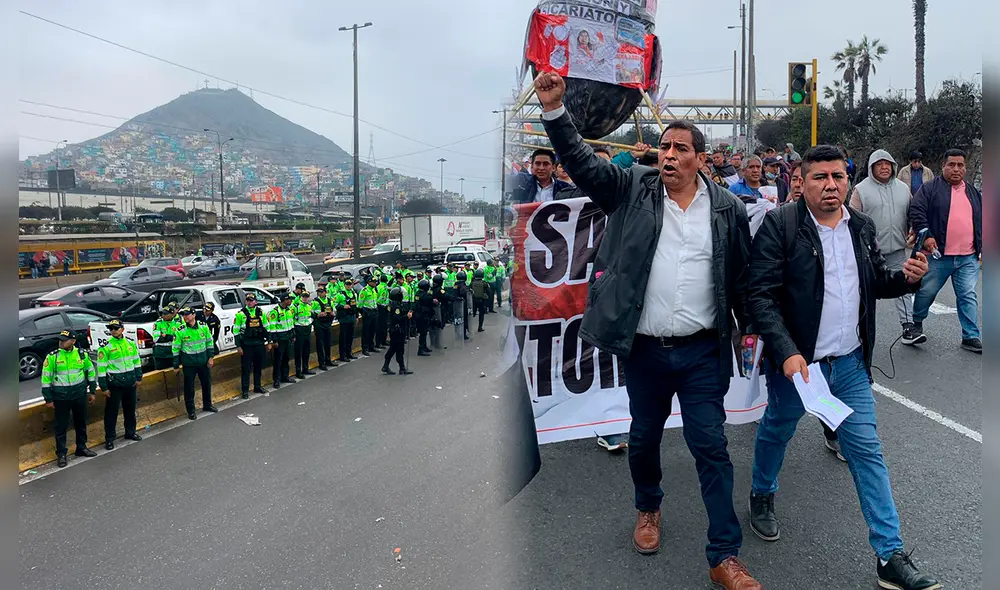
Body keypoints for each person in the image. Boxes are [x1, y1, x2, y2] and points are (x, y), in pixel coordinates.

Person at [533, 71, 761, 588]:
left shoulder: (728, 209)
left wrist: (753, 338)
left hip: (703, 353)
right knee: (643, 438)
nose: (670, 153)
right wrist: (554, 112)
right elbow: (586, 167)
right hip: (645, 352)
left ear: (703, 159)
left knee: (711, 446)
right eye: (665, 145)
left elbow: (743, 282)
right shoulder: (633, 187)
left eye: (682, 147)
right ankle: (649, 507)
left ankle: (724, 554)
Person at [747, 145, 938, 590]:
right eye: (820, 178)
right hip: (799, 367)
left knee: (867, 452)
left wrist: (907, 278)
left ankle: (889, 555)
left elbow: (873, 282)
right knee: (777, 430)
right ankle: (762, 492)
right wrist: (787, 351)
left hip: (849, 364)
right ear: (802, 180)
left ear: (848, 181)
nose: (830, 185)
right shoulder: (781, 226)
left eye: (837, 176)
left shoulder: (862, 227)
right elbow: (760, 296)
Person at [908, 148, 982, 353]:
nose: (956, 169)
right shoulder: (930, 188)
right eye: (951, 164)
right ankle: (916, 324)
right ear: (943, 166)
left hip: (968, 256)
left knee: (967, 294)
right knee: (927, 291)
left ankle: (970, 336)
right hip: (938, 256)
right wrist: (927, 235)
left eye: (960, 165)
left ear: (965, 168)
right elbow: (917, 210)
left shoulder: (973, 193)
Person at [849, 149, 918, 342]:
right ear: (872, 168)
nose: (884, 167)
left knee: (903, 287)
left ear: (894, 166)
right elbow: (852, 220)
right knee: (864, 290)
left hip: (897, 249)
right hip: (868, 253)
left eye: (888, 163)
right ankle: (858, 331)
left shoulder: (903, 188)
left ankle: (908, 327)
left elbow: (912, 213)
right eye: (879, 164)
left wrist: (913, 230)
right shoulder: (861, 190)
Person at [42, 330, 98, 468]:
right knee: (61, 426)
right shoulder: (52, 357)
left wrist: (92, 391)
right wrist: (48, 399)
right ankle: (61, 454)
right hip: (61, 397)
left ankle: (81, 447)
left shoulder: (81, 354)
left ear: (73, 341)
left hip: (79, 394)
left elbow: (90, 371)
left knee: (81, 422)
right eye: (60, 339)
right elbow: (45, 378)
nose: (61, 342)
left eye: (64, 340)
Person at [96, 319, 143, 450]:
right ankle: (110, 439)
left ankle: (131, 432)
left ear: (122, 329)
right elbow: (101, 369)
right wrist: (104, 387)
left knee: (130, 409)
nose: (113, 331)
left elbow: (136, 361)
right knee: (111, 412)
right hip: (114, 384)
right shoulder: (105, 347)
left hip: (130, 382)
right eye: (111, 329)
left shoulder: (130, 343)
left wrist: (139, 377)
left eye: (116, 328)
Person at [172, 307, 218, 420]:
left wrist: (211, 357)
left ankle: (207, 405)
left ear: (193, 315)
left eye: (187, 314)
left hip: (203, 362)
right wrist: (176, 365)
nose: (185, 317)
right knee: (189, 388)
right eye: (184, 315)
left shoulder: (203, 326)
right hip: (189, 364)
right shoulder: (180, 330)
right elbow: (175, 349)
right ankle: (191, 411)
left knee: (206, 384)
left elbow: (209, 342)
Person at [233, 292, 269, 398]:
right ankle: (245, 390)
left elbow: (267, 328)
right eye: (248, 301)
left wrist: (268, 342)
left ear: (256, 302)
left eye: (252, 300)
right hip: (247, 345)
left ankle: (257, 386)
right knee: (246, 368)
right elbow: (236, 331)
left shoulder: (261, 312)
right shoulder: (241, 314)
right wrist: (238, 346)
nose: (250, 302)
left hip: (259, 344)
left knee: (258, 367)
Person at [266, 293, 297, 388]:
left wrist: (293, 335)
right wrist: (274, 341)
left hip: (288, 338)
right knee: (278, 360)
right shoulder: (275, 312)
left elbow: (291, 324)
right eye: (289, 300)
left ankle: (285, 376)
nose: (291, 301)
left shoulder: (289, 310)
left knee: (286, 359)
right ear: (285, 300)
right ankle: (276, 380)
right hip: (280, 339)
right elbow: (272, 327)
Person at [381, 287, 413, 375]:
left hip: (398, 330)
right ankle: (387, 366)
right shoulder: (395, 306)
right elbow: (397, 319)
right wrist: (407, 316)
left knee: (399, 349)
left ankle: (401, 368)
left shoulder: (395, 304)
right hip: (396, 330)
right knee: (394, 348)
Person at [311, 285, 337, 370]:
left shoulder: (329, 300)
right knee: (320, 344)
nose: (319, 293)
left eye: (321, 292)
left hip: (327, 323)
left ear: (325, 292)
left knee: (328, 343)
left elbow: (334, 310)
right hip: (319, 325)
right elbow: (309, 312)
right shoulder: (315, 302)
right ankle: (321, 363)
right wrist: (317, 315)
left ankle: (328, 360)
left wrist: (333, 313)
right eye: (318, 292)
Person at [335, 278, 359, 362]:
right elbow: (334, 304)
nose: (348, 286)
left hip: (351, 318)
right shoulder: (340, 294)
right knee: (343, 338)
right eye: (347, 285)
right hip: (344, 319)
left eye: (350, 284)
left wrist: (356, 316)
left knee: (350, 337)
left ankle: (349, 353)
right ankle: (343, 355)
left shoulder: (353, 293)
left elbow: (355, 306)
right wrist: (342, 306)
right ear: (344, 285)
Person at [292, 290, 314, 378]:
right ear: (301, 297)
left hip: (307, 330)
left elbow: (310, 317)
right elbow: (291, 319)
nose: (305, 298)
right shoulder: (295, 307)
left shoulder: (309, 307)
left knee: (306, 351)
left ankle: (306, 368)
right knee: (298, 352)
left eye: (306, 297)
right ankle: (298, 371)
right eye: (303, 297)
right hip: (299, 331)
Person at [358, 275, 380, 356]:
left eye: (375, 282)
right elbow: (360, 304)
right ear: (369, 282)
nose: (375, 283)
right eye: (373, 282)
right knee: (366, 331)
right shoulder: (364, 291)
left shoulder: (374, 290)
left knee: (372, 330)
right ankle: (365, 348)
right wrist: (364, 312)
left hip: (374, 311)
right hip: (367, 312)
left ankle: (371, 346)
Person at [415, 278, 435, 355]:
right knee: (423, 332)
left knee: (424, 332)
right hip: (423, 315)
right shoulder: (427, 295)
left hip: (419, 315)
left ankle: (424, 346)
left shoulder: (417, 293)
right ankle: (421, 349)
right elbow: (431, 302)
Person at [375, 275, 391, 348]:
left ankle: (382, 341)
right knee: (382, 325)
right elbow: (383, 298)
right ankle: (380, 342)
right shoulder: (384, 288)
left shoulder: (378, 287)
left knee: (382, 325)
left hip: (380, 307)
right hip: (382, 307)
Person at [455, 270, 470, 340]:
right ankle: (463, 334)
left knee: (458, 320)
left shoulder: (455, 284)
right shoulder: (463, 285)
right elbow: (464, 292)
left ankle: (458, 333)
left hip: (456, 305)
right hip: (463, 304)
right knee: (464, 319)